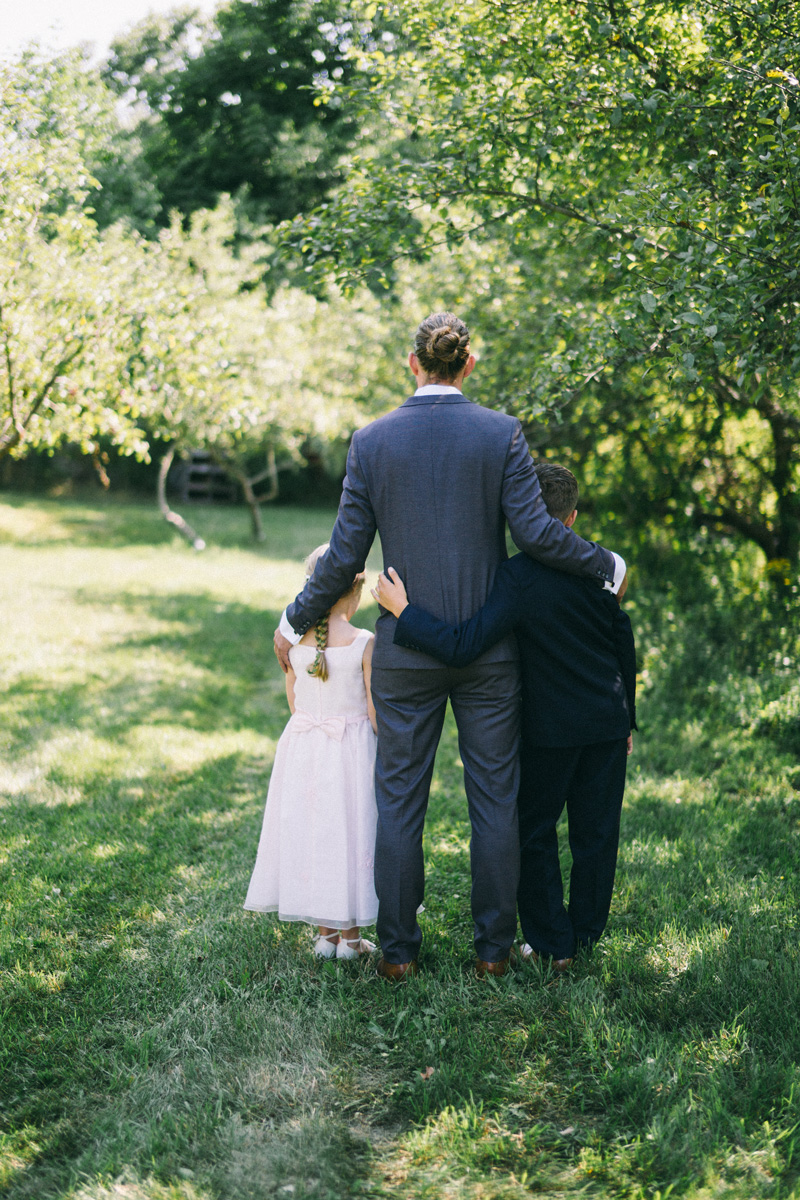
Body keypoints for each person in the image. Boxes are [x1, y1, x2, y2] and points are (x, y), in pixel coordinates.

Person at [274, 313, 625, 980]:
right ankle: (492, 951)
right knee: (495, 800)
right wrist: (605, 565)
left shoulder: (371, 442)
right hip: (491, 654)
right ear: (469, 365)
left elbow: (345, 554)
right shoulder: (500, 434)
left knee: (400, 800)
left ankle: (400, 955)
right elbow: (539, 535)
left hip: (406, 654)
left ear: (413, 363)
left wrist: (295, 621)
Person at [375, 463, 637, 970]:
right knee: (597, 834)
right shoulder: (600, 571)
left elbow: (465, 644)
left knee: (533, 830)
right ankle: (581, 938)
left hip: (551, 731)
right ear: (573, 517)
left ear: (520, 516)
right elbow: (622, 643)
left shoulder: (515, 577)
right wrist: (628, 717)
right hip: (605, 722)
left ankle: (552, 943)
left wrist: (405, 613)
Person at [245, 544, 379, 959]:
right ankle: (352, 940)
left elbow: (294, 702)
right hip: (351, 751)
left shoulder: (293, 644)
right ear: (356, 590)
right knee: (353, 834)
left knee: (318, 835)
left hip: (304, 749)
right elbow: (375, 713)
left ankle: (325, 937)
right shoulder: (364, 642)